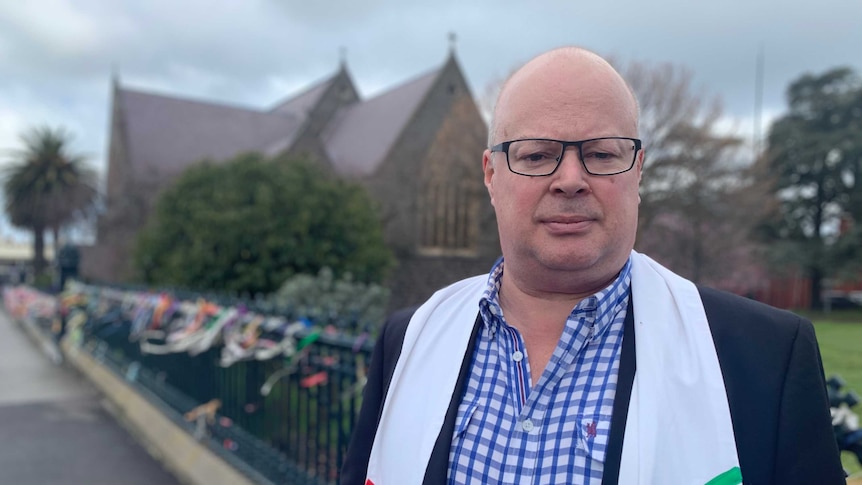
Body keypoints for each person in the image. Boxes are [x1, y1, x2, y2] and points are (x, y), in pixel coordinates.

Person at [340, 47, 845, 485]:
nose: (570, 180)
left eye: (603, 154)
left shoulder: (768, 359)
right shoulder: (408, 339)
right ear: (491, 175)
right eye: (537, 156)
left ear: (638, 171)